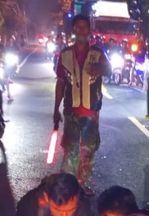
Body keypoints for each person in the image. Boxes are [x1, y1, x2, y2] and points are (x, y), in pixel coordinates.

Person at [53, 15, 111, 190]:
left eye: (84, 27)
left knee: (88, 150)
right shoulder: (65, 55)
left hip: (91, 113)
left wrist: (99, 68)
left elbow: (109, 70)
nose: (81, 30)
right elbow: (61, 83)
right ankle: (66, 185)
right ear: (73, 30)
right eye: (77, 27)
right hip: (71, 111)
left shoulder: (98, 53)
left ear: (89, 30)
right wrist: (56, 109)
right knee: (70, 149)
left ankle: (82, 184)